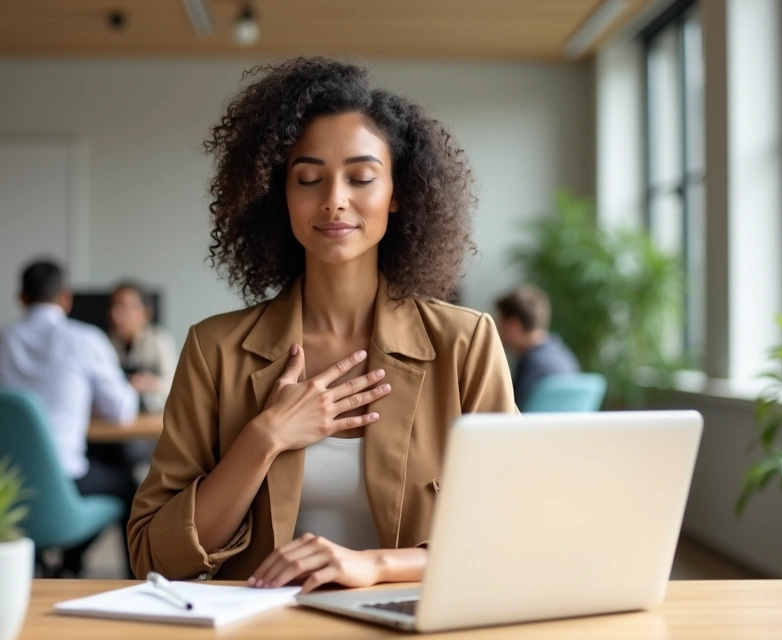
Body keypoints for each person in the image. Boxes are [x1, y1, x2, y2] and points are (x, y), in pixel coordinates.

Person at [127, 57, 516, 592]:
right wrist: (264, 437)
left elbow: (514, 535)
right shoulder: (214, 349)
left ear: (397, 193)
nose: (334, 199)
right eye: (308, 178)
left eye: (360, 178)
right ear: (279, 194)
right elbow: (153, 555)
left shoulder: (465, 344)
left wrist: (377, 564)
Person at [0, 259, 140, 578]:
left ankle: (63, 563)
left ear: (21, 297)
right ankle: (85, 564)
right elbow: (123, 412)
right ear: (65, 298)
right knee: (127, 486)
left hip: (4, 483)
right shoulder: (85, 340)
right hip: (68, 479)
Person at [494, 285, 581, 408]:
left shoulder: (531, 363)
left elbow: (511, 413)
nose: (497, 330)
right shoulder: (565, 355)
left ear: (514, 325)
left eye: (500, 322)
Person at [108, 281, 177, 414]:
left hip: (151, 419)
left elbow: (177, 387)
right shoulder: (103, 343)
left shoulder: (160, 340)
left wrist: (153, 384)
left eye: (125, 307)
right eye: (113, 306)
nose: (115, 314)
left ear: (146, 312)